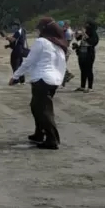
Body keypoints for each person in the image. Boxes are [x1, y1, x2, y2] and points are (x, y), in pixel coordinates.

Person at [9, 17, 67, 150]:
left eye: (39, 28)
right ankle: (39, 133)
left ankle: (52, 139)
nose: (37, 31)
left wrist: (16, 76)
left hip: (42, 79)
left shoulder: (41, 42)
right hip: (54, 80)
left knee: (43, 110)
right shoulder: (59, 43)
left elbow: (28, 61)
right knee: (36, 106)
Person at [72, 21, 100, 92]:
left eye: (87, 25)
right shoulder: (85, 33)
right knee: (83, 70)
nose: (86, 27)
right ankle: (82, 86)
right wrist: (76, 32)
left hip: (89, 54)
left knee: (89, 70)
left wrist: (84, 33)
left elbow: (91, 42)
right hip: (81, 54)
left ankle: (90, 87)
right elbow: (77, 38)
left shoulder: (94, 34)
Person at [4, 19, 27, 84]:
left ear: (17, 26)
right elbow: (19, 41)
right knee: (20, 65)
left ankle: (16, 80)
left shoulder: (18, 32)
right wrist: (8, 45)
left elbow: (13, 40)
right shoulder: (23, 31)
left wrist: (7, 37)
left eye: (14, 25)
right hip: (21, 51)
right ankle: (22, 80)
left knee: (15, 65)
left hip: (16, 51)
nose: (13, 27)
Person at [59, 21, 75, 87]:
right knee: (62, 64)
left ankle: (68, 75)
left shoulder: (68, 32)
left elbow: (67, 43)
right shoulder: (67, 31)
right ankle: (64, 81)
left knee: (62, 64)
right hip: (66, 49)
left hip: (66, 49)